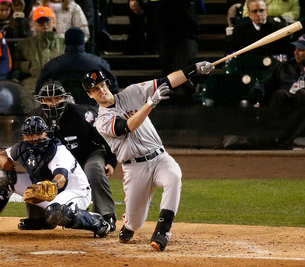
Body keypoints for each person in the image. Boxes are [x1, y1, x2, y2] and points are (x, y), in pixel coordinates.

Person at [82, 61, 214, 251]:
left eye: (102, 85)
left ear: (107, 84)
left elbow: (167, 81)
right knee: (136, 222)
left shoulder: (132, 92)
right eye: (95, 89)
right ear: (90, 95)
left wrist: (194, 69)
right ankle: (128, 225)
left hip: (159, 157)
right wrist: (150, 104)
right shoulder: (101, 121)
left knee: (174, 177)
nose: (101, 90)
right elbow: (128, 126)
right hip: (135, 168)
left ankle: (163, 230)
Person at [0, 116, 111, 237]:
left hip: (74, 192)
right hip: (46, 192)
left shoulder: (57, 150)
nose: (33, 138)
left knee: (56, 213)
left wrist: (51, 185)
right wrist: (4, 161)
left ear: (47, 133)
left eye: (38, 133)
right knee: (3, 177)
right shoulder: (22, 148)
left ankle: (96, 221)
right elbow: (3, 154)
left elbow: (61, 177)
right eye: (29, 135)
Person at [25, 81, 118, 232]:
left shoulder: (83, 114)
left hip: (88, 153)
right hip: (57, 160)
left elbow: (105, 136)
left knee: (94, 172)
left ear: (64, 98)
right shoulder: (35, 117)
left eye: (57, 98)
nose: (53, 103)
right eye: (48, 100)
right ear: (41, 101)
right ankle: (40, 217)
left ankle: (106, 215)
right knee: (35, 171)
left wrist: (111, 161)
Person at [35, 27, 118, 105]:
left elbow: (39, 91)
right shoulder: (100, 64)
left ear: (65, 41)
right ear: (83, 41)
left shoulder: (52, 65)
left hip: (63, 111)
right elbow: (113, 89)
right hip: (93, 110)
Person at [248, 34, 305, 107]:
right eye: (295, 49)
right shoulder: (285, 66)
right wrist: (259, 90)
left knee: (302, 94)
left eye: (301, 50)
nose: (295, 53)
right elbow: (268, 83)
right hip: (284, 107)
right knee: (280, 94)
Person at [13, 6, 65, 93]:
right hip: (31, 89)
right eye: (40, 22)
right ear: (34, 24)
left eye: (47, 21)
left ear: (54, 22)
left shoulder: (64, 44)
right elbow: (15, 70)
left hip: (59, 88)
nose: (44, 24)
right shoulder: (23, 45)